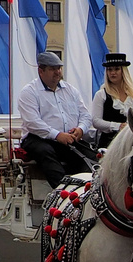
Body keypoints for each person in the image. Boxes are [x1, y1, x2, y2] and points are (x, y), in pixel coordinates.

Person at [16, 50, 96, 185]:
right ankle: (61, 190)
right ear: (41, 71)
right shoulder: (29, 92)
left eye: (59, 68)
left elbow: (86, 115)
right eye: (52, 69)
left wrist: (80, 129)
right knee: (45, 152)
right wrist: (57, 135)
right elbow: (33, 123)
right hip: (38, 138)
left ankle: (86, 188)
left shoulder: (71, 90)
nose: (58, 72)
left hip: (67, 138)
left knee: (91, 156)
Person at [90, 53, 133, 150]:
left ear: (124, 72)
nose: (112, 73)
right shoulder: (101, 94)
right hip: (109, 144)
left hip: (132, 143)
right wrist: (118, 126)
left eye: (116, 69)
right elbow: (96, 121)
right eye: (109, 70)